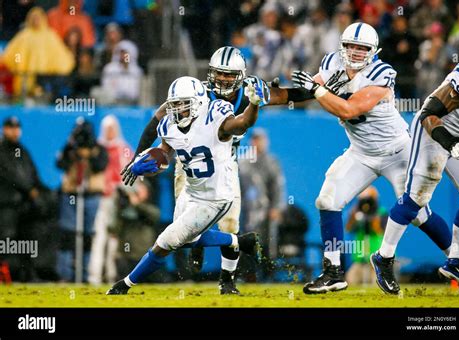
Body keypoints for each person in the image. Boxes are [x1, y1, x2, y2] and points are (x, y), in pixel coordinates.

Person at [117, 46, 314, 294]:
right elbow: (156, 121)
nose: (223, 79)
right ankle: (202, 242)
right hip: (189, 163)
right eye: (219, 73)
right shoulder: (196, 94)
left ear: (241, 76)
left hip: (224, 161)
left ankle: (227, 280)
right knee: (182, 228)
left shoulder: (249, 92)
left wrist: (316, 92)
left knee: (230, 223)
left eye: (229, 75)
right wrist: (138, 158)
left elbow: (285, 96)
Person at [291, 22, 452, 294]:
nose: (354, 52)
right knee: (327, 200)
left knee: (419, 215)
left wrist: (317, 89)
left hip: (397, 151)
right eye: (350, 46)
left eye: (361, 47)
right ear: (341, 46)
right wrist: (262, 96)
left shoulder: (381, 73)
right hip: (361, 152)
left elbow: (351, 109)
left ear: (373, 51)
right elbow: (301, 92)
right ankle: (333, 272)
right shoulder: (331, 63)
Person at [106, 76, 264, 295]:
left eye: (183, 103)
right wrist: (147, 165)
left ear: (198, 102)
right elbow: (164, 156)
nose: (178, 109)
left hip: (216, 195)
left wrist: (254, 104)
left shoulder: (214, 116)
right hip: (191, 191)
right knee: (185, 241)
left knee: (167, 240)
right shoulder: (171, 125)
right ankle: (238, 241)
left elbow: (242, 124)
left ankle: (124, 285)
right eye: (175, 104)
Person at [371, 56, 459, 295]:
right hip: (435, 130)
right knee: (417, 197)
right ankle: (384, 257)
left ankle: (458, 261)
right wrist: (447, 140)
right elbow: (429, 113)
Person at [56, 118, 108, 282]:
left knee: (87, 235)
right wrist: (72, 150)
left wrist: (90, 154)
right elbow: (60, 164)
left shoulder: (99, 148)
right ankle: (65, 274)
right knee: (68, 234)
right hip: (71, 194)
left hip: (92, 195)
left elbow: (100, 166)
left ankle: (85, 274)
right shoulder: (69, 147)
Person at [88, 115, 132, 285]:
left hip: (117, 199)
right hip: (100, 199)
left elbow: (131, 175)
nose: (110, 132)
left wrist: (123, 191)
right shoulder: (97, 149)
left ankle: (112, 276)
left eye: (112, 128)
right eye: (107, 128)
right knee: (98, 237)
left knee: (114, 240)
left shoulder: (123, 149)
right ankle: (95, 276)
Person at [239, 128, 286, 281]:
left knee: (268, 243)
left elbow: (278, 186)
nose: (257, 143)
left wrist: (276, 208)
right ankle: (249, 276)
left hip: (266, 212)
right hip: (245, 211)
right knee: (246, 243)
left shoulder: (272, 162)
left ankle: (268, 276)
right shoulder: (243, 162)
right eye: (255, 139)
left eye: (260, 139)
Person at [0, 116, 42, 280]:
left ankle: (28, 274)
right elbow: (9, 175)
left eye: (17, 127)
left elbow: (33, 174)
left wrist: (37, 189)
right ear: (4, 129)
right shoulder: (1, 150)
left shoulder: (23, 151)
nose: (14, 131)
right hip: (5, 204)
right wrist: (29, 189)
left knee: (27, 240)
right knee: (5, 239)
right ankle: (4, 273)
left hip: (23, 205)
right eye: (11, 127)